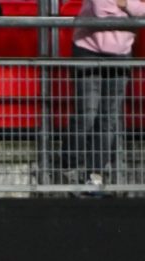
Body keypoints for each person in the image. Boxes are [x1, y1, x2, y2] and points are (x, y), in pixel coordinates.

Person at [68, 0, 145, 196]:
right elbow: (102, 12)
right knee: (87, 114)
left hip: (121, 54)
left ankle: (95, 175)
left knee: (108, 119)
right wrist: (132, 9)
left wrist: (124, 4)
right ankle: (72, 167)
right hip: (88, 50)